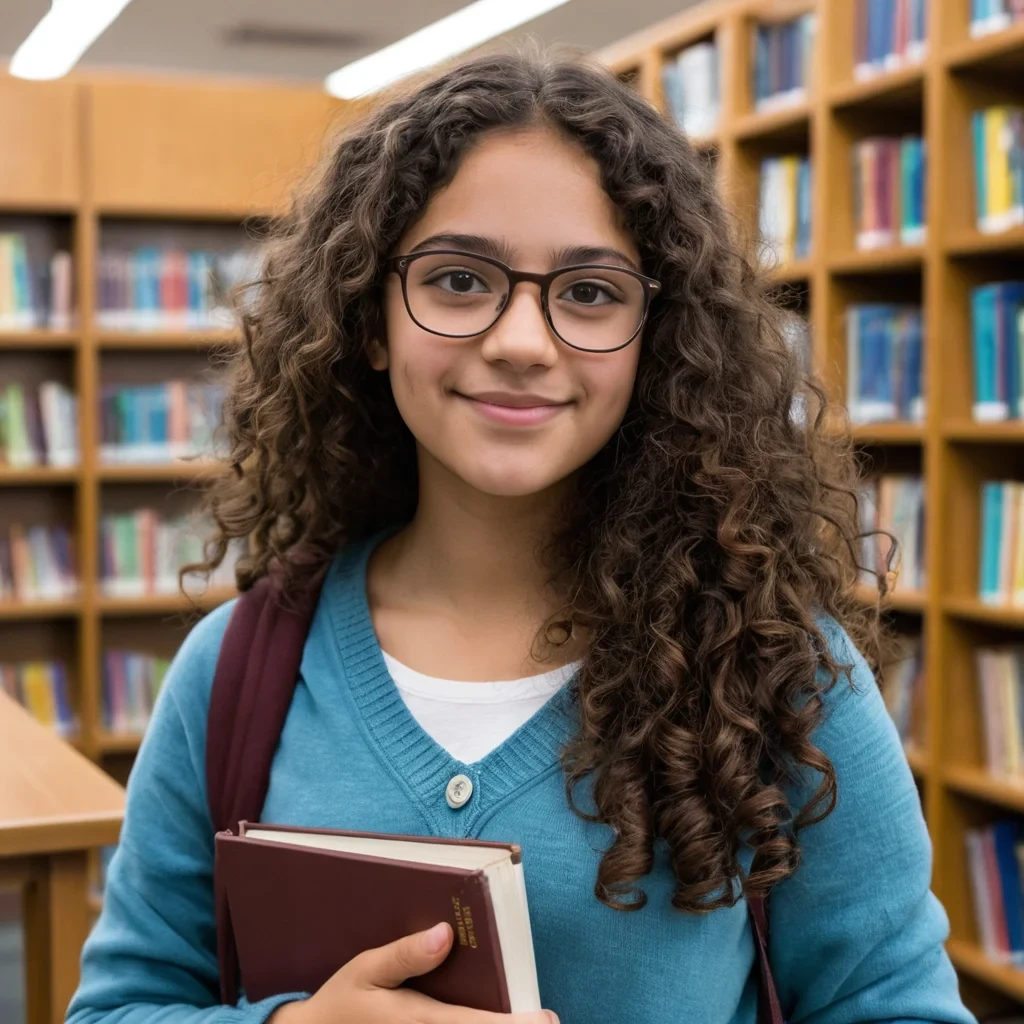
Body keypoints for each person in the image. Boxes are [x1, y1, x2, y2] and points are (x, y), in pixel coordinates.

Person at [67, 49, 975, 1024]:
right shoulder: (241, 666)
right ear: (369, 318)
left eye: (588, 293)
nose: (520, 341)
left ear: (651, 341)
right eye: (460, 279)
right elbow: (122, 1005)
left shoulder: (774, 672)